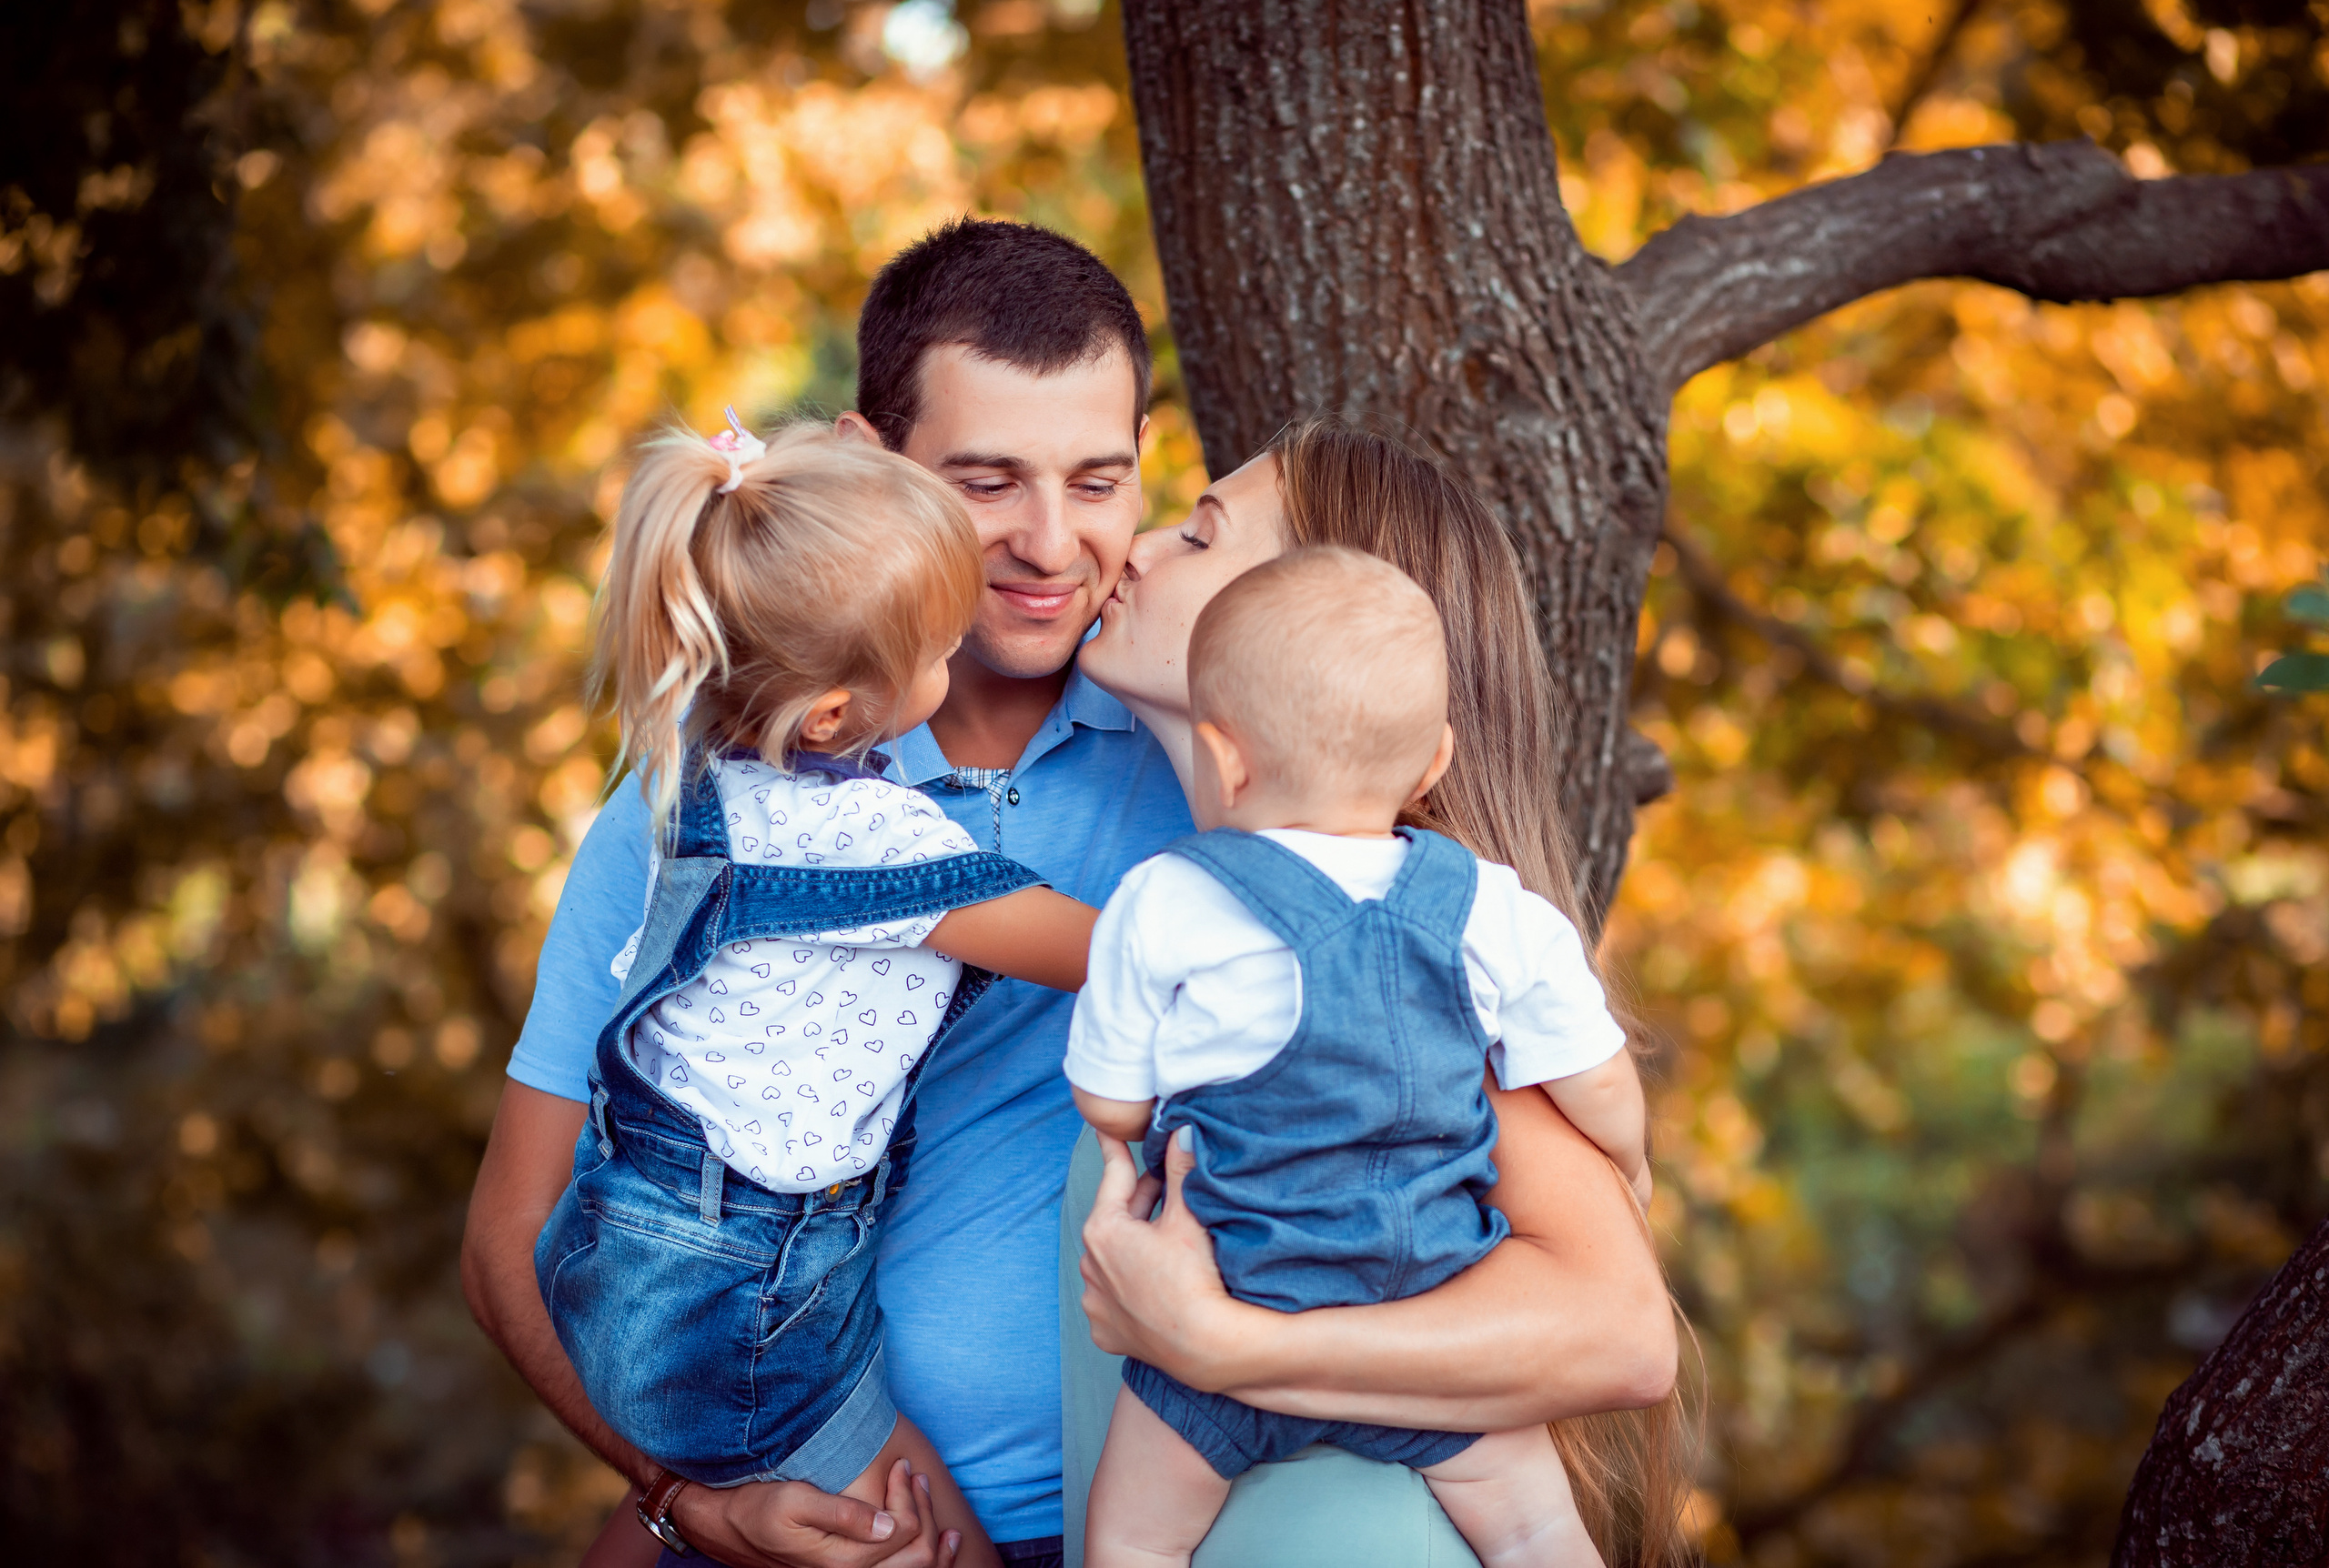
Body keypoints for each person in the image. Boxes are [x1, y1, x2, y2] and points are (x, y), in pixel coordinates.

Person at [461, 220, 1677, 1568]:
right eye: (989, 482)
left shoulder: (1295, 825)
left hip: (1164, 1510)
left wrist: (1226, 1345)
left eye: (1107, 483)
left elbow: (1607, 1313)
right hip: (799, 1485)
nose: (1062, 545)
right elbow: (520, 1232)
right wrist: (679, 1497)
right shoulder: (733, 798)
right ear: (877, 466)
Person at [1069, 418, 1693, 1568]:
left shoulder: (1426, 985)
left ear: (1308, 619)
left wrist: (1218, 1343)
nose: (1138, 548)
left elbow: (1623, 1335)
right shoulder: (1217, 906)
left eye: (1200, 534)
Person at [538, 417, 1111, 1566]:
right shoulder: (857, 836)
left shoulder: (709, 770)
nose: (954, 669)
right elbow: (1107, 951)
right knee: (935, 1548)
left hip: (649, 1245)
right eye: (940, 650)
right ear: (836, 716)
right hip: (743, 1295)